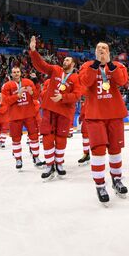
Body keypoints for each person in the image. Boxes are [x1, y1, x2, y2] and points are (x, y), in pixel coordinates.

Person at [78, 42, 129, 204]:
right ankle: (100, 184)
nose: (102, 50)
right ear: (94, 51)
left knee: (115, 149)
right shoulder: (87, 65)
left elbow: (122, 81)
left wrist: (110, 64)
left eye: (105, 48)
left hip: (114, 114)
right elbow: (85, 82)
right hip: (95, 115)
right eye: (99, 48)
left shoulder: (118, 65)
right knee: (98, 150)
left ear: (109, 52)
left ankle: (117, 179)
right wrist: (96, 64)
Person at [29, 36, 81, 179]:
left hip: (65, 112)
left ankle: (59, 163)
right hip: (50, 109)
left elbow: (77, 95)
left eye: (68, 60)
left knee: (61, 137)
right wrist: (33, 51)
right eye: (64, 59)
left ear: (73, 65)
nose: (65, 61)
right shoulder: (56, 70)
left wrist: (63, 98)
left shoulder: (76, 78)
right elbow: (41, 65)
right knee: (47, 136)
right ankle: (49, 165)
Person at [1, 66, 41, 169]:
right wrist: (17, 96)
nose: (16, 74)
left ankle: (36, 157)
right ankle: (18, 159)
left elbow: (36, 96)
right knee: (16, 139)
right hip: (15, 116)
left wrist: (33, 91)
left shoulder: (28, 82)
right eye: (14, 72)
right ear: (11, 74)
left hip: (29, 114)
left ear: (20, 73)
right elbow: (5, 101)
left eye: (18, 72)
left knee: (34, 136)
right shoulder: (7, 86)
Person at [77, 97, 90, 165]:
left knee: (86, 139)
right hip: (95, 121)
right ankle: (89, 154)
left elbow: (82, 113)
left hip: (87, 121)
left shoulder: (85, 103)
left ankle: (86, 154)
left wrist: (80, 118)